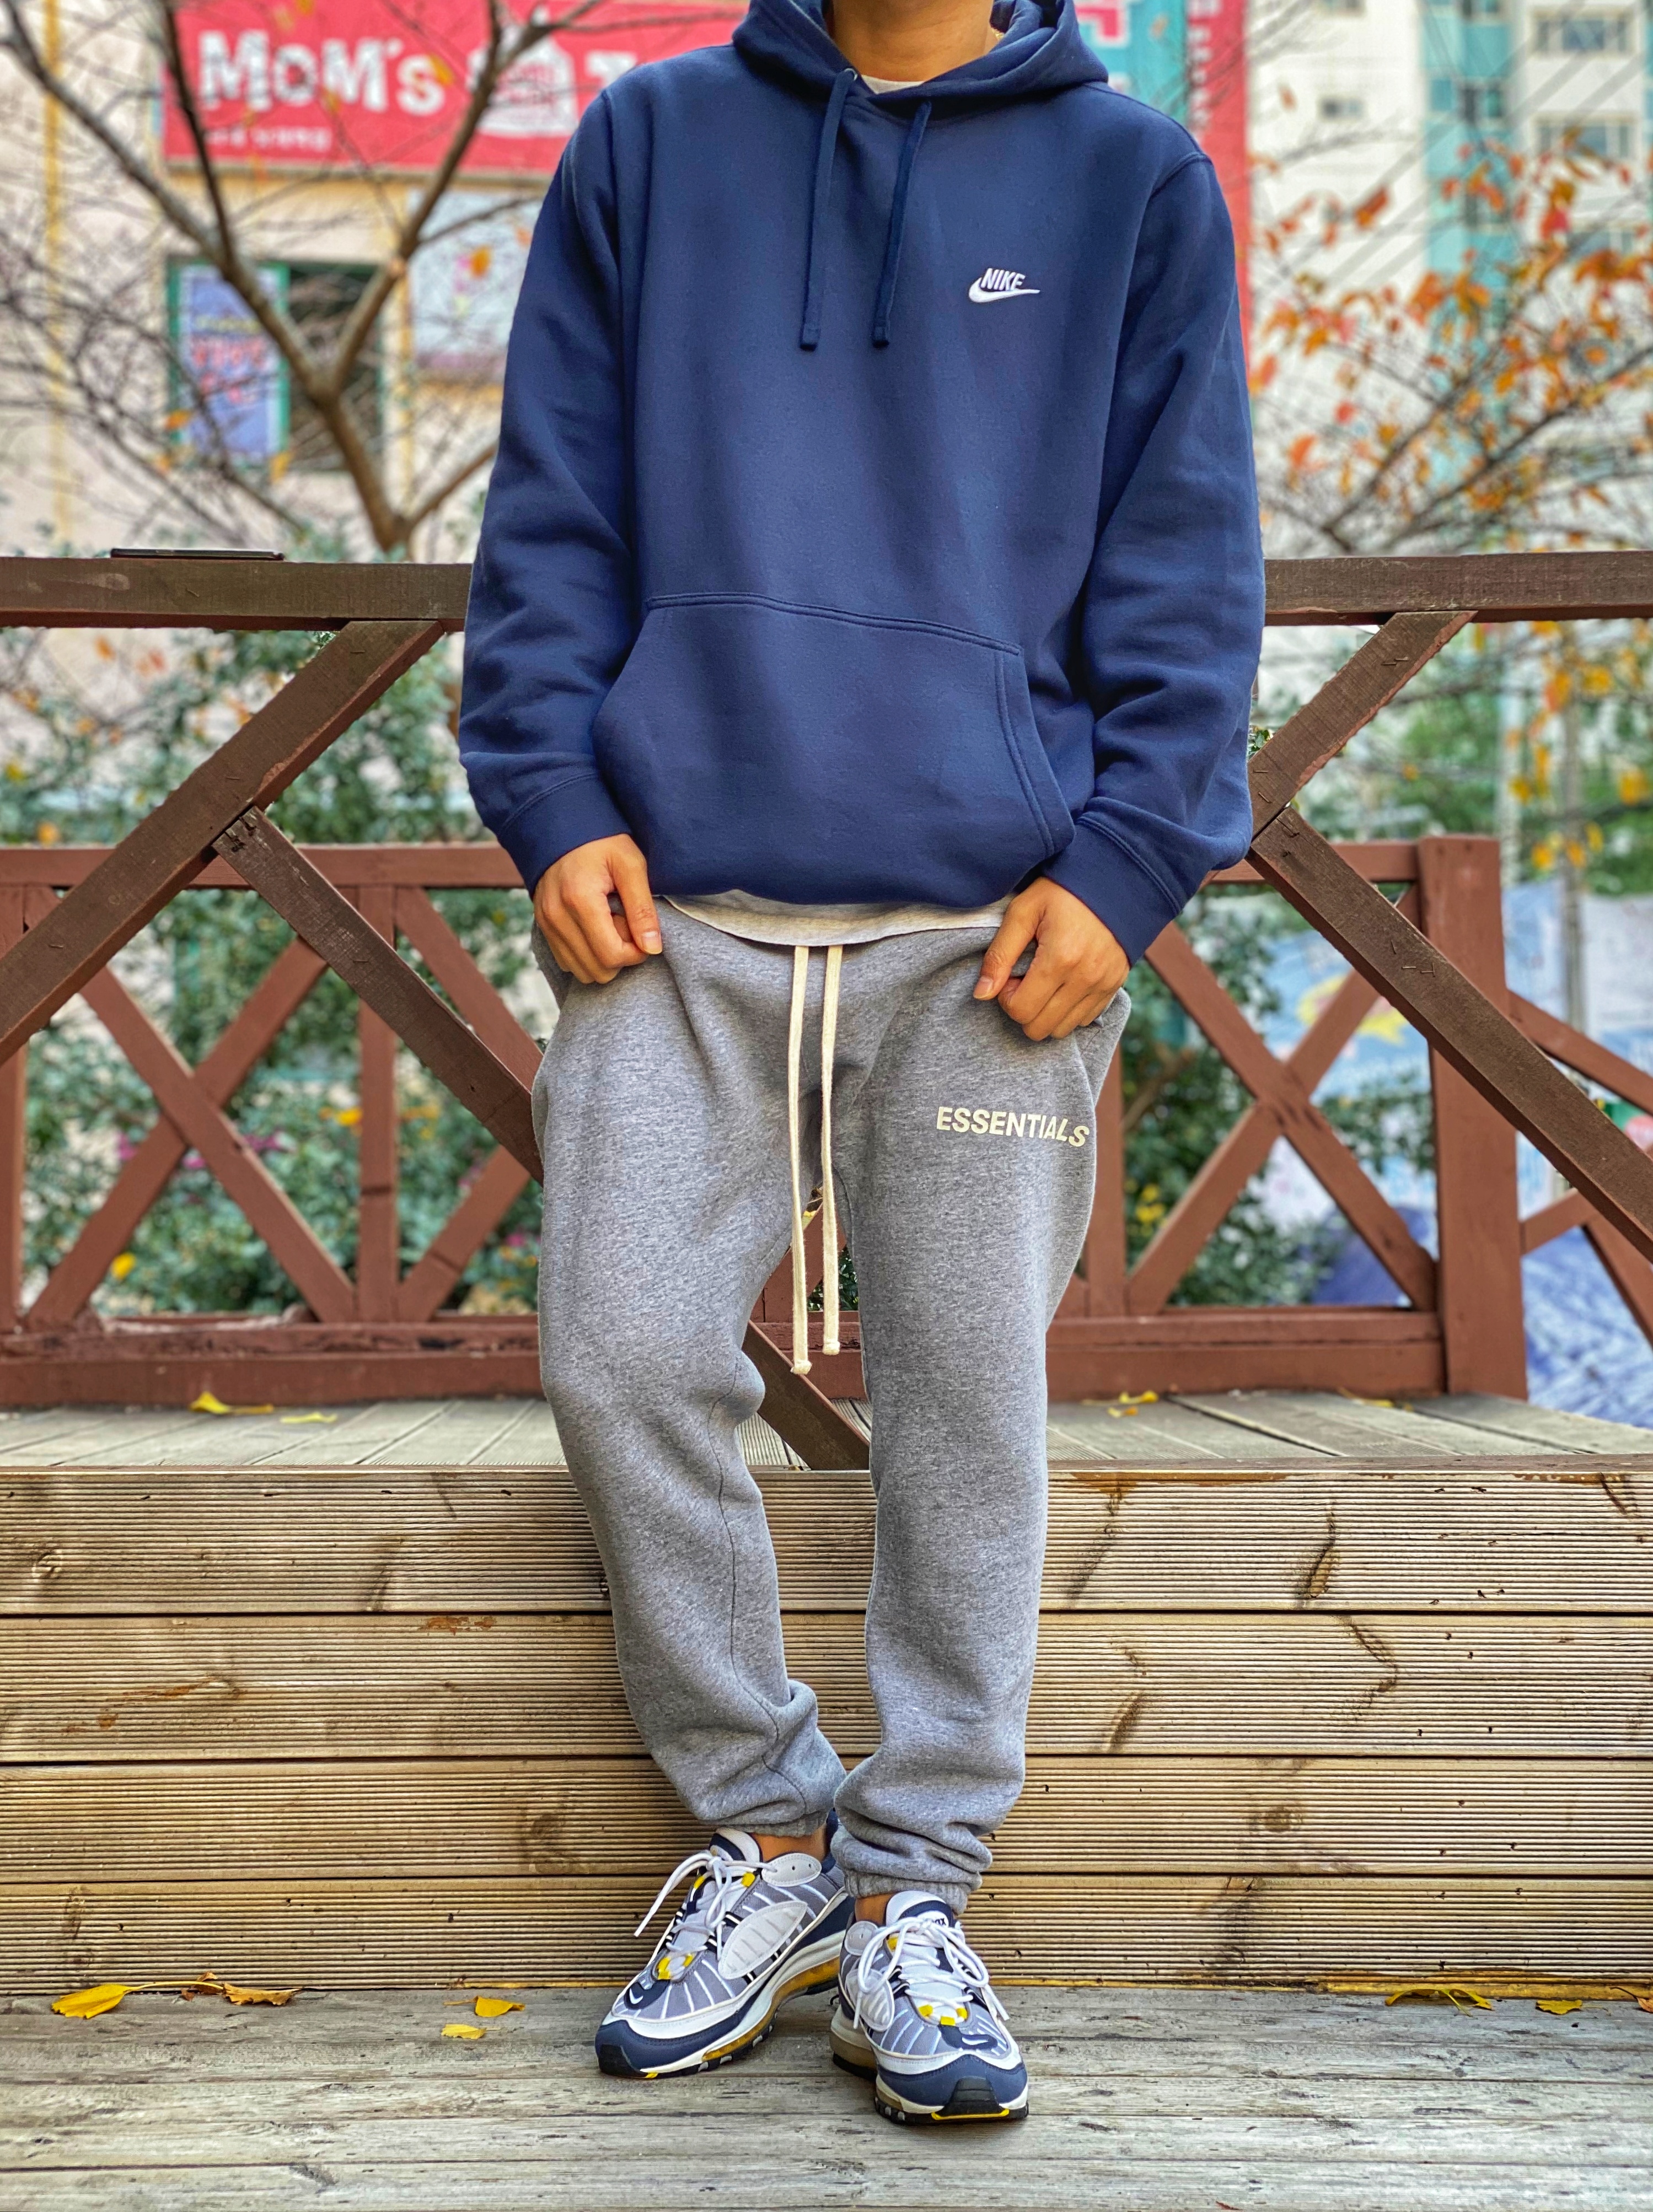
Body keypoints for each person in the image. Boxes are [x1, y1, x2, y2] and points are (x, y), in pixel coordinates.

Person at [458, 0, 1262, 2127]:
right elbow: (551, 514)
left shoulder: (1130, 177)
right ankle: (773, 1837)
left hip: (988, 934)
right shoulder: (649, 143)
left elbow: (1189, 554)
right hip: (676, 913)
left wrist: (1132, 862)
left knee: (967, 1410)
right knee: (620, 1356)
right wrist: (551, 794)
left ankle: (916, 1890)